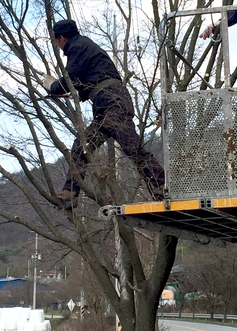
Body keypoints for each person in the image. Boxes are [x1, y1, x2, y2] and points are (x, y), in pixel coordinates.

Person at [43, 19, 165, 208]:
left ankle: (162, 187)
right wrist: (65, 91)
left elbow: (71, 77)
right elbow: (84, 83)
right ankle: (71, 192)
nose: (58, 47)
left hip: (112, 102)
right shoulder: (85, 46)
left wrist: (54, 86)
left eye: (56, 41)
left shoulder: (78, 47)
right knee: (82, 146)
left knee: (131, 148)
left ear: (61, 38)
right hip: (107, 103)